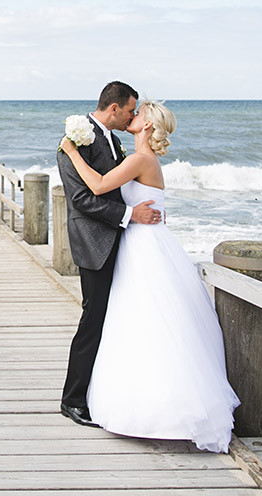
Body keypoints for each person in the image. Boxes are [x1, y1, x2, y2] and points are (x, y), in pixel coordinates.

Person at [59, 100, 239, 453]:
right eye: (132, 109)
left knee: (144, 319)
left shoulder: (139, 159)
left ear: (145, 126)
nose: (133, 115)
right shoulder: (142, 159)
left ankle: (147, 406)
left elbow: (96, 186)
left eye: (138, 113)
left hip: (142, 245)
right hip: (142, 242)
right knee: (144, 320)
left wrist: (71, 152)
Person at [57, 81, 162, 428]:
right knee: (93, 322)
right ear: (114, 108)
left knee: (115, 321)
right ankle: (72, 400)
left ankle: (99, 393)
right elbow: (82, 199)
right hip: (95, 244)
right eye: (131, 110)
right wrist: (131, 215)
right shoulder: (75, 142)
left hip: (123, 243)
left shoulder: (112, 140)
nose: (133, 115)